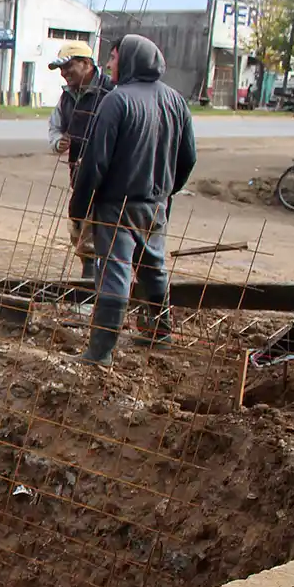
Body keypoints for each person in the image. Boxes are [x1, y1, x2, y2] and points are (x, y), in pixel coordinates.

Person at [69, 33, 197, 367]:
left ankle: (100, 352)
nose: (109, 64)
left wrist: (79, 207)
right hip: (154, 205)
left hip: (117, 206)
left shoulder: (117, 100)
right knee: (154, 268)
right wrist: (166, 191)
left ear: (127, 60)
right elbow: (189, 158)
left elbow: (95, 162)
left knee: (115, 273)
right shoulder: (176, 101)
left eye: (112, 58)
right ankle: (160, 333)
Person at [47, 39, 115, 280]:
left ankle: (97, 297)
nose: (64, 74)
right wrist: (59, 142)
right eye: (61, 70)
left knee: (102, 239)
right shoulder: (67, 97)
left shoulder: (112, 91)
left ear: (86, 64)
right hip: (81, 178)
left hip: (110, 179)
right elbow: (55, 127)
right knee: (80, 233)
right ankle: (92, 293)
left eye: (68, 68)